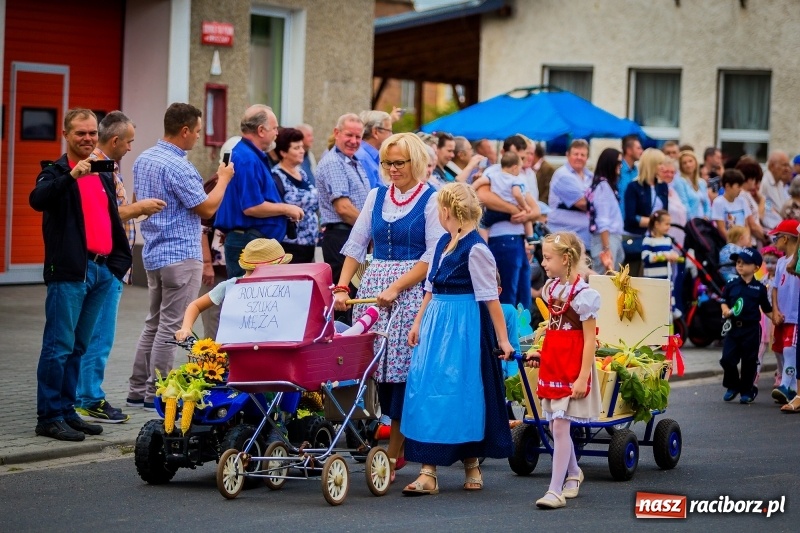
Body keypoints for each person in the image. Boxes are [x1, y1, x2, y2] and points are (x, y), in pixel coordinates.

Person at [334, 133, 445, 483]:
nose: (393, 169)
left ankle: (395, 450)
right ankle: (384, 435)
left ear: (415, 161)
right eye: (387, 163)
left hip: (410, 291)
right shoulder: (375, 196)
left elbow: (432, 256)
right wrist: (341, 286)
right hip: (373, 289)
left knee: (403, 372)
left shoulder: (431, 199)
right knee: (375, 368)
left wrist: (396, 286)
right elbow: (356, 244)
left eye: (399, 162)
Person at [401, 183, 513, 495]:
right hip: (437, 324)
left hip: (464, 326)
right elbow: (430, 287)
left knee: (463, 394)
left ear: (448, 211)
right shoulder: (442, 243)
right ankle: (428, 471)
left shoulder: (476, 249)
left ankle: (471, 463)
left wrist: (503, 341)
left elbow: (491, 300)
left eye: (439, 208)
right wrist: (418, 321)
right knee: (427, 392)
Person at [29, 108, 133, 441]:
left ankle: (67, 411)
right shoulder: (55, 171)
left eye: (91, 133)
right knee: (58, 347)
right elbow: (38, 200)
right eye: (80, 133)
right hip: (71, 272)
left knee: (78, 347)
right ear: (66, 135)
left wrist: (117, 264)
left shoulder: (103, 173)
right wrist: (72, 175)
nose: (87, 139)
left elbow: (112, 218)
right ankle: (48, 416)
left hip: (103, 270)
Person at [128, 103, 234, 411]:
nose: (198, 138)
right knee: (171, 325)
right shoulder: (180, 166)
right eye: (197, 131)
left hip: (153, 252)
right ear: (184, 130)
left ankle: (137, 388)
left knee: (153, 322)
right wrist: (223, 178)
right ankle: (156, 391)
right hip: (181, 254)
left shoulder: (144, 158)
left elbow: (138, 202)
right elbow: (207, 208)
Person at [76, 111, 166, 424]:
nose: (130, 148)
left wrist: (137, 211)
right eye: (128, 142)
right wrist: (138, 208)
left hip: (108, 264)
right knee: (98, 337)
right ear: (115, 140)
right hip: (103, 265)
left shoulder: (106, 167)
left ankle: (83, 395)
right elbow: (106, 214)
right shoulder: (97, 167)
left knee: (92, 336)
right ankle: (89, 398)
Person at [525, 231, 601, 509]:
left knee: (559, 424)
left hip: (572, 363)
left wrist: (583, 377)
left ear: (566, 259)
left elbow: (589, 339)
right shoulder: (552, 289)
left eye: (547, 258)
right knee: (557, 423)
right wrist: (541, 352)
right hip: (555, 359)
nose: (543, 263)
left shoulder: (585, 295)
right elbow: (555, 330)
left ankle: (554, 489)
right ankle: (573, 473)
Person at [215, 105, 304, 278]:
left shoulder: (249, 154)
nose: (277, 133)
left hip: (251, 241)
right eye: (275, 128)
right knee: (247, 300)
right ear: (261, 130)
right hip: (248, 242)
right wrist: (287, 209)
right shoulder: (247, 158)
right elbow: (252, 207)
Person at [175, 239, 292, 342]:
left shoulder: (284, 287)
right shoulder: (232, 285)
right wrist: (186, 328)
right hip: (238, 350)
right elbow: (195, 305)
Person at [316, 113, 371, 302]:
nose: (354, 141)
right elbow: (344, 209)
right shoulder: (334, 162)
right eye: (349, 135)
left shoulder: (353, 161)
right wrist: (372, 229)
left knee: (355, 296)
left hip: (352, 235)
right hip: (341, 236)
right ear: (336, 133)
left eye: (358, 137)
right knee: (344, 300)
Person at [720, 247, 771, 404]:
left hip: (751, 329)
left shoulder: (760, 288)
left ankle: (747, 390)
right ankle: (733, 385)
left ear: (755, 267)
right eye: (738, 262)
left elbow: (767, 309)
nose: (740, 265)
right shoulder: (731, 284)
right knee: (727, 359)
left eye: (745, 263)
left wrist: (776, 318)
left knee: (749, 361)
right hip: (734, 327)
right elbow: (724, 301)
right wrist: (726, 311)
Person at [272, 127, 319, 263]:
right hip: (289, 245)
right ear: (283, 152)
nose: (302, 151)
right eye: (296, 148)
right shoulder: (276, 177)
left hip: (309, 245)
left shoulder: (302, 173)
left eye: (302, 147)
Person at [769, 219, 800, 405]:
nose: (775, 242)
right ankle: (792, 387)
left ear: (786, 239)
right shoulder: (781, 262)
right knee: (779, 349)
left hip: (794, 314)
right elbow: (774, 288)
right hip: (782, 314)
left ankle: (786, 386)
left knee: (790, 350)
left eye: (777, 238)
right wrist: (774, 309)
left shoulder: (796, 262)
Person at [472, 151, 535, 240]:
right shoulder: (516, 180)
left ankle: (484, 244)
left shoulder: (493, 175)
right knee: (527, 219)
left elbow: (479, 182)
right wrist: (525, 206)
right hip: (511, 211)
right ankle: (531, 238)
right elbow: (517, 194)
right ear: (515, 168)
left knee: (483, 225)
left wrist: (470, 190)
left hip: (493, 210)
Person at [623, 148, 668, 271]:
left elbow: (665, 213)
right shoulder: (634, 187)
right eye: (660, 163)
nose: (663, 167)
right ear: (651, 164)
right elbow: (631, 217)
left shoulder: (663, 186)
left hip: (656, 238)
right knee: (633, 276)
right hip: (636, 237)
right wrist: (655, 223)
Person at [547, 139, 593, 244]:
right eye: (576, 154)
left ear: (587, 157)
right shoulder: (563, 175)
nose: (579, 157)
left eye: (582, 155)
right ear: (567, 155)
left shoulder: (590, 176)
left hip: (584, 239)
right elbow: (583, 203)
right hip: (564, 239)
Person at [588, 148, 625, 273]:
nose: (621, 166)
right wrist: (606, 247)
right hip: (606, 239)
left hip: (613, 237)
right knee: (604, 279)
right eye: (618, 162)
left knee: (612, 278)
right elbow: (602, 219)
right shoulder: (602, 187)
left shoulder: (608, 185)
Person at [758, 246, 782, 388]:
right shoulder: (762, 280)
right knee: (760, 347)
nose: (769, 266)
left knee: (777, 348)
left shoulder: (780, 280)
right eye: (766, 262)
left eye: (773, 262)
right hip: (763, 317)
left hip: (775, 315)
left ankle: (780, 373)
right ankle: (754, 376)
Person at [711, 169, 754, 242]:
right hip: (728, 242)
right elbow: (721, 229)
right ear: (727, 186)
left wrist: (747, 240)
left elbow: (746, 225)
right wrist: (734, 243)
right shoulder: (718, 202)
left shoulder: (742, 201)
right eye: (738, 186)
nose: (741, 189)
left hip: (743, 241)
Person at [356, 110, 393, 188]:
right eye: (389, 131)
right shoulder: (362, 158)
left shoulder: (371, 156)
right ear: (375, 132)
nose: (392, 135)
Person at [735, 158, 768, 246]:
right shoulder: (742, 196)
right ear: (749, 178)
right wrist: (767, 239)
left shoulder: (747, 195)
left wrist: (762, 200)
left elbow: (757, 217)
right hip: (750, 242)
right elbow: (752, 225)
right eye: (755, 179)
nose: (755, 184)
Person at [759, 151, 793, 231]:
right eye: (784, 165)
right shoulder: (764, 183)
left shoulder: (780, 183)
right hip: (771, 229)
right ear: (772, 166)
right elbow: (764, 205)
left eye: (788, 165)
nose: (787, 169)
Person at [678, 150, 710, 219]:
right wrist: (693, 222)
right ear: (681, 166)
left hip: (703, 222)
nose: (688, 165)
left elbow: (707, 203)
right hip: (690, 223)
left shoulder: (702, 182)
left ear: (695, 162)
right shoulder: (680, 182)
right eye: (684, 163)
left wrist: (707, 216)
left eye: (690, 161)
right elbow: (685, 205)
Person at [618, 134, 643, 217]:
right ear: (629, 150)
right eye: (638, 148)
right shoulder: (618, 170)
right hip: (620, 221)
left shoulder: (637, 171)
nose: (641, 151)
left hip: (634, 221)